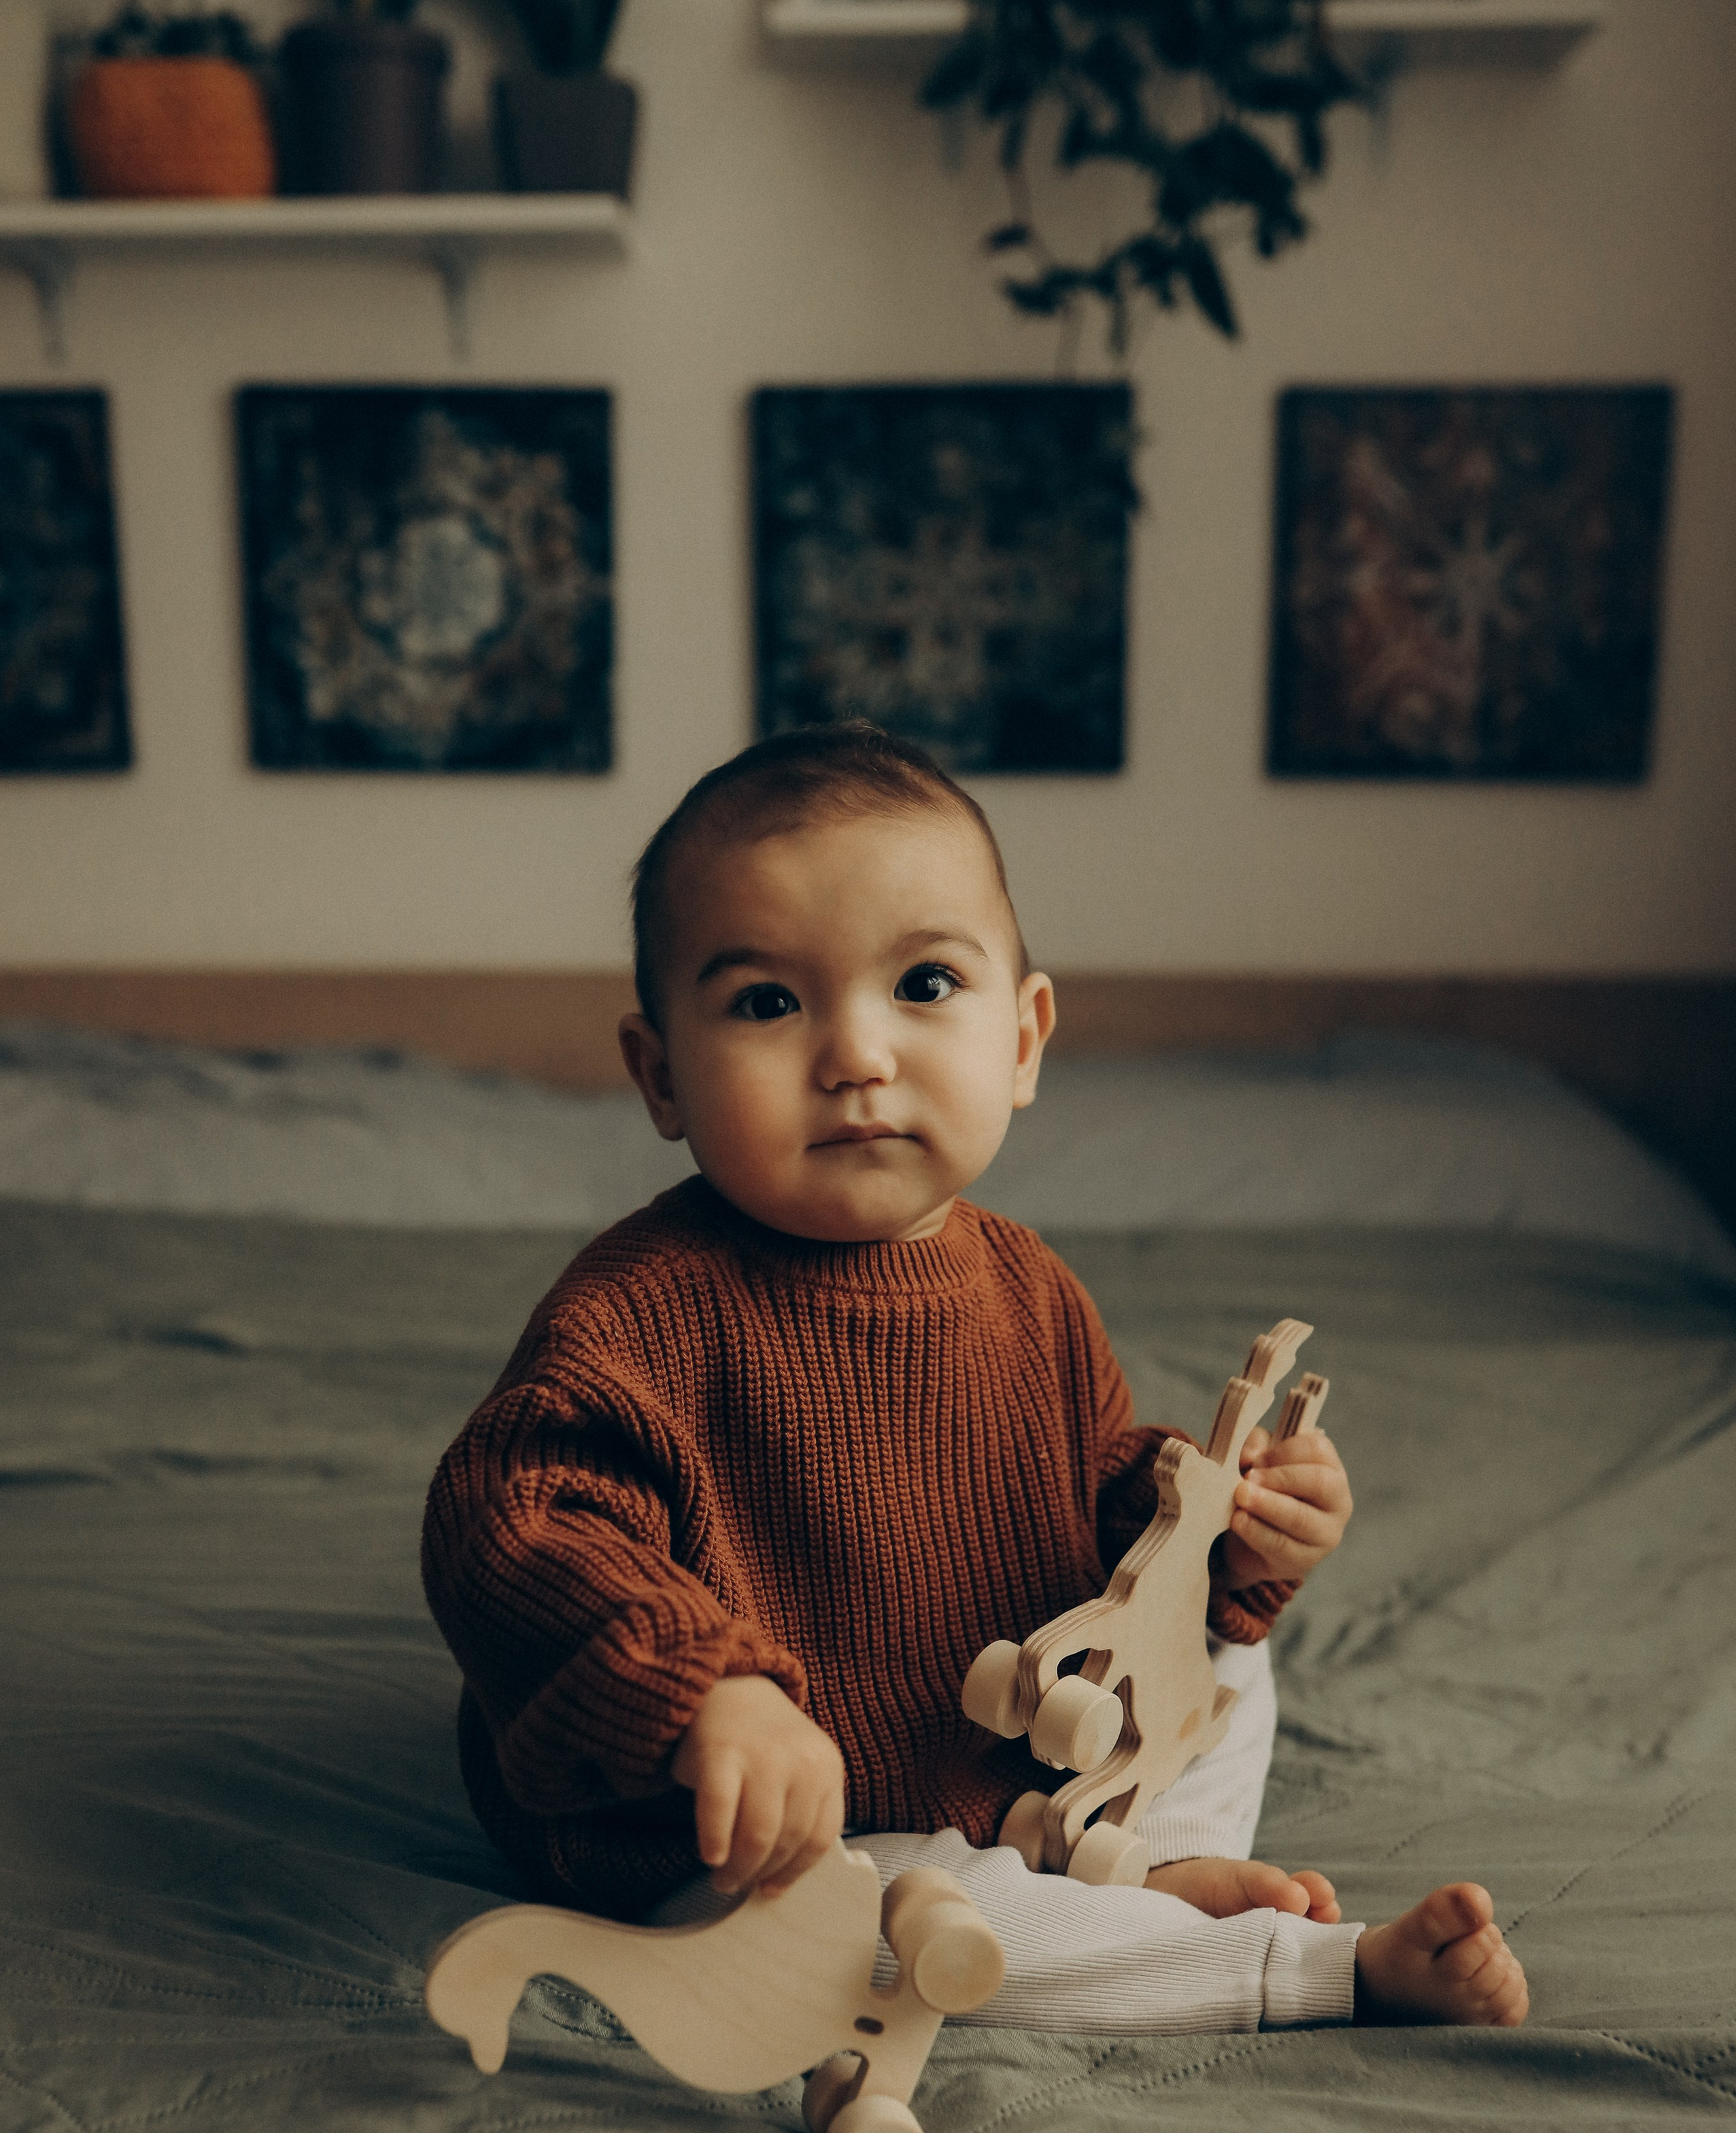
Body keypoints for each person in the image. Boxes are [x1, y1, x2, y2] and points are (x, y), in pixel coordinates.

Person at [423, 724, 1528, 2036]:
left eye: (926, 984)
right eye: (769, 1002)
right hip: (746, 1834)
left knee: (1232, 1680)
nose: (856, 1055)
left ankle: (1139, 1861)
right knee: (906, 1914)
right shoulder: (639, 1314)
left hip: (1001, 1755)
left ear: (1024, 1037)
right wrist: (702, 1699)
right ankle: (1293, 1969)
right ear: (662, 1073)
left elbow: (1089, 1509)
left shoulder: (1026, 1284)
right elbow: (518, 1530)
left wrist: (1225, 1538)